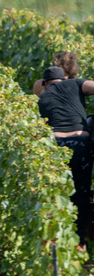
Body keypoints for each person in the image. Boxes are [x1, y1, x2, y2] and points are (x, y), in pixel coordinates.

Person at [38, 66, 94, 248]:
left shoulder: (41, 97)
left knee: (57, 193)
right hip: (80, 144)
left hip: (57, 148)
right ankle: (80, 241)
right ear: (64, 79)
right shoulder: (75, 83)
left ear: (46, 83)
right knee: (81, 191)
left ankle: (57, 239)